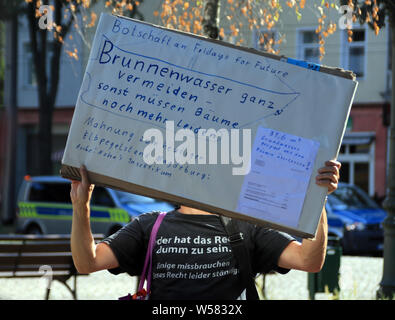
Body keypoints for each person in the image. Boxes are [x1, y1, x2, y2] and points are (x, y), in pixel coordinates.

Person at [70, 160, 341, 300]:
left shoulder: (249, 226)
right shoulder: (149, 225)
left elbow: (309, 260)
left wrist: (319, 199)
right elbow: (87, 262)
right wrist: (81, 206)